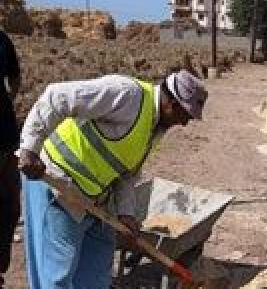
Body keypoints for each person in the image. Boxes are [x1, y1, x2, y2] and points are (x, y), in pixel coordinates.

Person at [17, 69, 208, 289]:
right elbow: (57, 96)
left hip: (96, 201)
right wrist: (29, 148)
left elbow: (126, 172)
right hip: (58, 184)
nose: (184, 124)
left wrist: (126, 212)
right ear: (172, 104)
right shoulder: (127, 94)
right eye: (184, 116)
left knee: (97, 277)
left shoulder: (155, 127)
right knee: (56, 276)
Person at [0, 30, 21, 289]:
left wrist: (5, 104)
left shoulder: (2, 40)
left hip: (6, 137)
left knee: (10, 209)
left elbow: (15, 78)